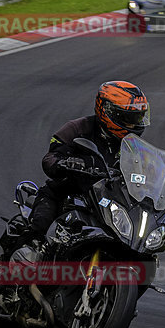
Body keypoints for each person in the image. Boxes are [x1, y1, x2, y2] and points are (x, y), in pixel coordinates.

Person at [22, 81, 150, 246]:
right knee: (39, 227)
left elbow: (149, 171)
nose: (134, 125)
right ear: (108, 112)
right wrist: (67, 163)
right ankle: (3, 266)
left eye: (138, 118)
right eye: (129, 118)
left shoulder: (134, 145)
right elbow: (50, 158)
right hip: (66, 194)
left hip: (106, 204)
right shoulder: (77, 128)